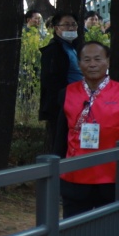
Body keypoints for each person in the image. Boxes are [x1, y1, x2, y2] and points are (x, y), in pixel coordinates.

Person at [51, 41, 119, 217]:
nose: (92, 64)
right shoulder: (67, 93)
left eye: (97, 59)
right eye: (86, 60)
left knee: (111, 229)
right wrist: (57, 170)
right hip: (75, 177)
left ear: (107, 61)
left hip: (113, 179)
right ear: (79, 63)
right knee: (75, 230)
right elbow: (61, 136)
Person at [38, 12, 84, 144]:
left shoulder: (74, 47)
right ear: (56, 28)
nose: (71, 28)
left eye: (73, 24)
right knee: (62, 141)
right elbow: (50, 80)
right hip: (63, 104)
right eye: (66, 25)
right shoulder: (53, 50)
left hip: (79, 101)